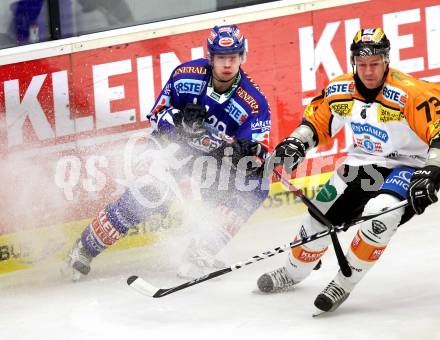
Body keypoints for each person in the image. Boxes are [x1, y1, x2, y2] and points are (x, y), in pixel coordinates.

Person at [64, 24, 271, 280]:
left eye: (232, 57)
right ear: (210, 57)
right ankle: (85, 247)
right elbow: (156, 115)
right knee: (149, 193)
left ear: (242, 57)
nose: (227, 64)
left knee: (257, 184)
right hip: (171, 150)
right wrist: (178, 124)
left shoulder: (254, 102)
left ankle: (200, 251)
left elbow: (259, 153)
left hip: (212, 164)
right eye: (220, 58)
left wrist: (242, 152)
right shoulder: (186, 75)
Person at [257, 27, 440, 314]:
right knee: (319, 211)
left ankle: (344, 282)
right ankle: (293, 271)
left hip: (409, 165)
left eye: (375, 64)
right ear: (354, 62)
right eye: (362, 64)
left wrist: (433, 171)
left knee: (383, 214)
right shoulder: (341, 89)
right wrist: (296, 142)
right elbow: (316, 123)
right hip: (362, 164)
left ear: (386, 60)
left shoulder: (409, 94)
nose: (368, 71)